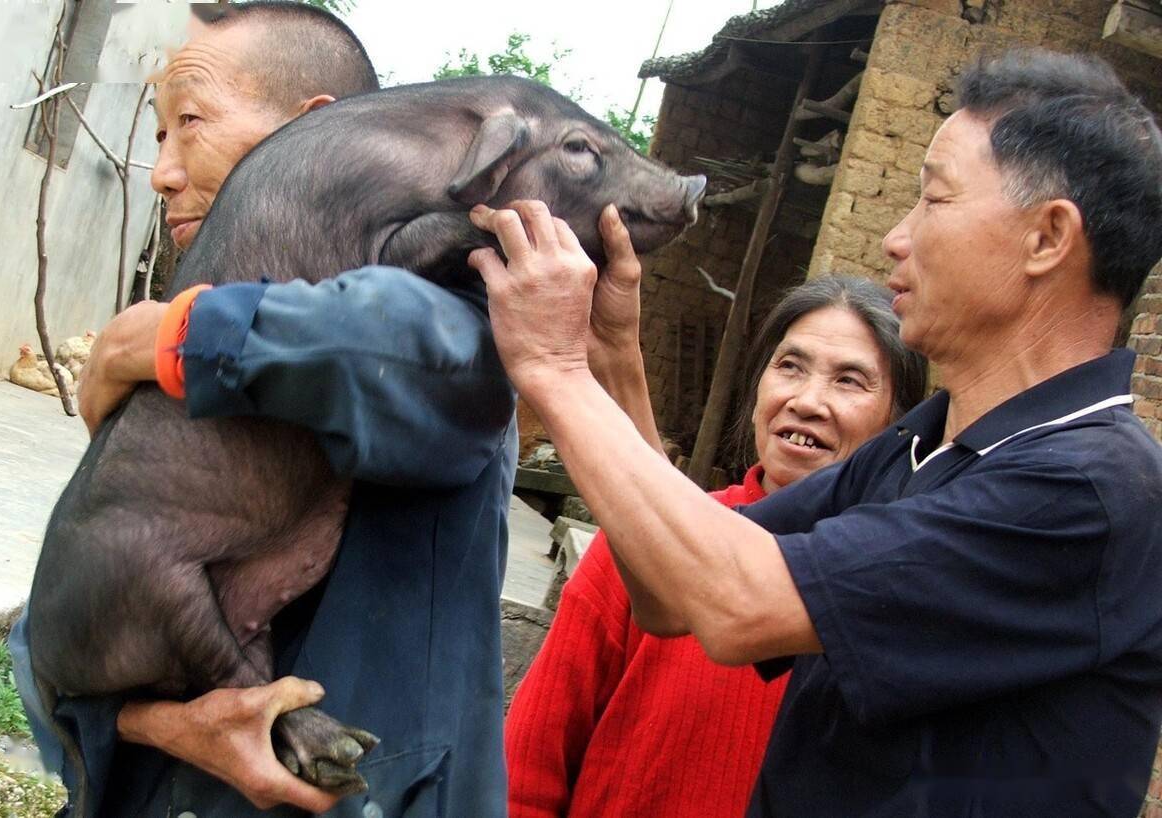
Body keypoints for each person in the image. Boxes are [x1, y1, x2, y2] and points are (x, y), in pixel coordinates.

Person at [469, 48, 1162, 817]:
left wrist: (553, 366)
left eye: (933, 200)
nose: (897, 239)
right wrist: (611, 358)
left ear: (1047, 238)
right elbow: (672, 594)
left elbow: (735, 603)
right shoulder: (920, 451)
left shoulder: (1088, 489)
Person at [7, 3, 543, 816]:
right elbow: (57, 633)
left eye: (190, 121)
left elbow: (388, 346)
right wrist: (158, 722)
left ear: (312, 135)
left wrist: (176, 337)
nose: (162, 171)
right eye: (157, 136)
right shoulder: (188, 345)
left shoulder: (460, 303)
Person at [505, 276, 927, 818]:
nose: (806, 401)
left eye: (850, 381)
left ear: (899, 422)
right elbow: (526, 768)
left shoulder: (901, 582)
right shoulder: (646, 543)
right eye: (790, 366)